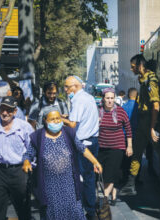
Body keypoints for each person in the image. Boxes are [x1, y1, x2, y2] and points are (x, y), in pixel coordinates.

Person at [22, 107, 102, 220]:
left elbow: (82, 148)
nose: (56, 121)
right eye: (52, 119)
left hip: (69, 184)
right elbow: (28, 154)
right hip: (49, 186)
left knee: (74, 211)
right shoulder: (38, 137)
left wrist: (95, 162)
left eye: (58, 118)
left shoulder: (68, 133)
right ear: (45, 120)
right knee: (52, 214)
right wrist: (26, 162)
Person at [0, 96, 34, 220]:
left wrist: (30, 167)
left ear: (15, 112)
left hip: (19, 172)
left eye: (9, 110)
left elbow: (32, 149)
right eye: (2, 108)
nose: (5, 112)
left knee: (23, 209)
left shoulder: (24, 127)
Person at [119, 54, 160, 196]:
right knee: (136, 153)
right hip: (144, 121)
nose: (131, 69)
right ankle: (130, 184)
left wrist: (152, 128)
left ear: (140, 65)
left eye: (132, 66)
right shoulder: (144, 80)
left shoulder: (151, 80)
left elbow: (156, 105)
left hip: (149, 121)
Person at [61, 75, 99, 220]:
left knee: (84, 178)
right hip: (92, 140)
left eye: (67, 87)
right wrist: (67, 116)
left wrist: (58, 118)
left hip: (84, 143)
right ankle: (89, 209)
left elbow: (72, 124)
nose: (65, 90)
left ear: (75, 87)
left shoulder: (77, 100)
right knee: (88, 177)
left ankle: (88, 210)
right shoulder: (88, 97)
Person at [98, 88, 133, 205]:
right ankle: (113, 196)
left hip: (117, 147)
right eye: (107, 98)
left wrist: (129, 146)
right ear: (103, 99)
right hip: (102, 147)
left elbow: (128, 129)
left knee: (110, 173)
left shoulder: (121, 112)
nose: (109, 101)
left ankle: (104, 198)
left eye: (112, 98)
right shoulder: (98, 111)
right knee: (105, 173)